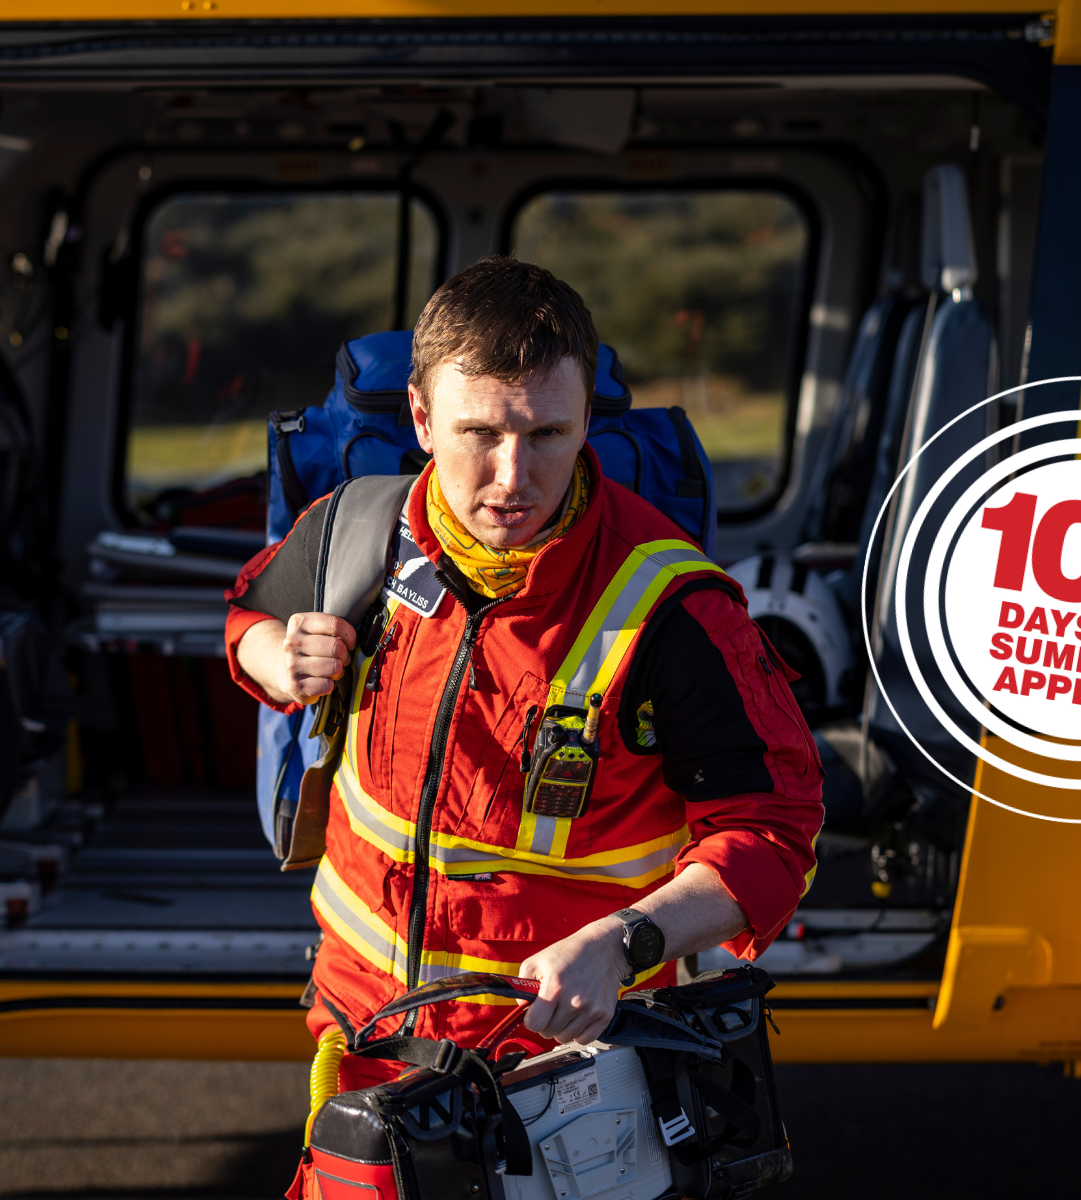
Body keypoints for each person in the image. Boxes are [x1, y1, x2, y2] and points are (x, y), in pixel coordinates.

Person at [221, 256, 825, 1195]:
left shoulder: (675, 610)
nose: (514, 477)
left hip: (565, 1078)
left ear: (586, 420)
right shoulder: (355, 530)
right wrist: (274, 657)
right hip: (368, 1049)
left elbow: (774, 837)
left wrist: (625, 944)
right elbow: (249, 613)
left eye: (548, 433)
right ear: (421, 419)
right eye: (480, 433)